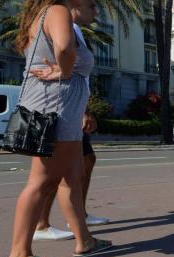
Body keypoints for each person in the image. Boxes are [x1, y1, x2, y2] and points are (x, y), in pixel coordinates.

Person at [5, 0, 113, 257]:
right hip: (55, 109)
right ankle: (19, 254)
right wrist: (64, 71)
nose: (96, 8)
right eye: (92, 4)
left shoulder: (56, 14)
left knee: (72, 176)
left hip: (65, 111)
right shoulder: (57, 11)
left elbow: (65, 50)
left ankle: (85, 240)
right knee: (42, 181)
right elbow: (63, 48)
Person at [33, 10, 110, 242]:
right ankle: (37, 231)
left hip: (71, 107)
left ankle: (82, 235)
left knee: (75, 169)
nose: (96, 10)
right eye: (92, 3)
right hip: (63, 109)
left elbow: (75, 71)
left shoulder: (70, 25)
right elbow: (64, 62)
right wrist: (82, 110)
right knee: (50, 175)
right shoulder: (58, 17)